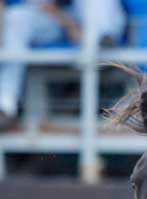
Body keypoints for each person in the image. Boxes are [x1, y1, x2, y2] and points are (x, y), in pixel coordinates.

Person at [0, 0, 126, 131]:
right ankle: (5, 107)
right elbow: (45, 7)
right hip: (53, 20)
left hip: (87, 20)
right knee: (16, 17)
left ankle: (101, 44)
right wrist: (68, 23)